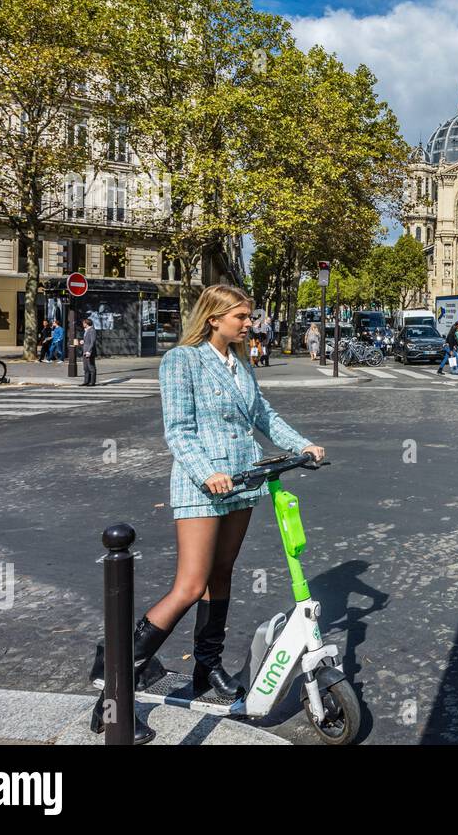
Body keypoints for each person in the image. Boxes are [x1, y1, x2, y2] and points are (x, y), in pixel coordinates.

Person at [87, 283, 325, 744]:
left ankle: (206, 667)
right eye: (241, 316)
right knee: (190, 585)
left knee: (222, 574)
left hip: (243, 480)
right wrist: (206, 472)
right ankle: (114, 688)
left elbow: (265, 416)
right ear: (213, 318)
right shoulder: (182, 360)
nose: (248, 323)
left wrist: (302, 445)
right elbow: (178, 431)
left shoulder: (240, 363)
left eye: (249, 316)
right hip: (203, 484)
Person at [75, 318, 97, 386]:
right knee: (86, 367)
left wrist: (89, 351)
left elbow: (92, 342)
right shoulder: (86, 330)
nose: (83, 324)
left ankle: (92, 382)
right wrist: (83, 341)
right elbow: (88, 341)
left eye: (83, 323)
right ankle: (86, 381)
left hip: (89, 351)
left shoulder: (92, 330)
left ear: (86, 324)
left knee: (91, 367)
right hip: (85, 350)